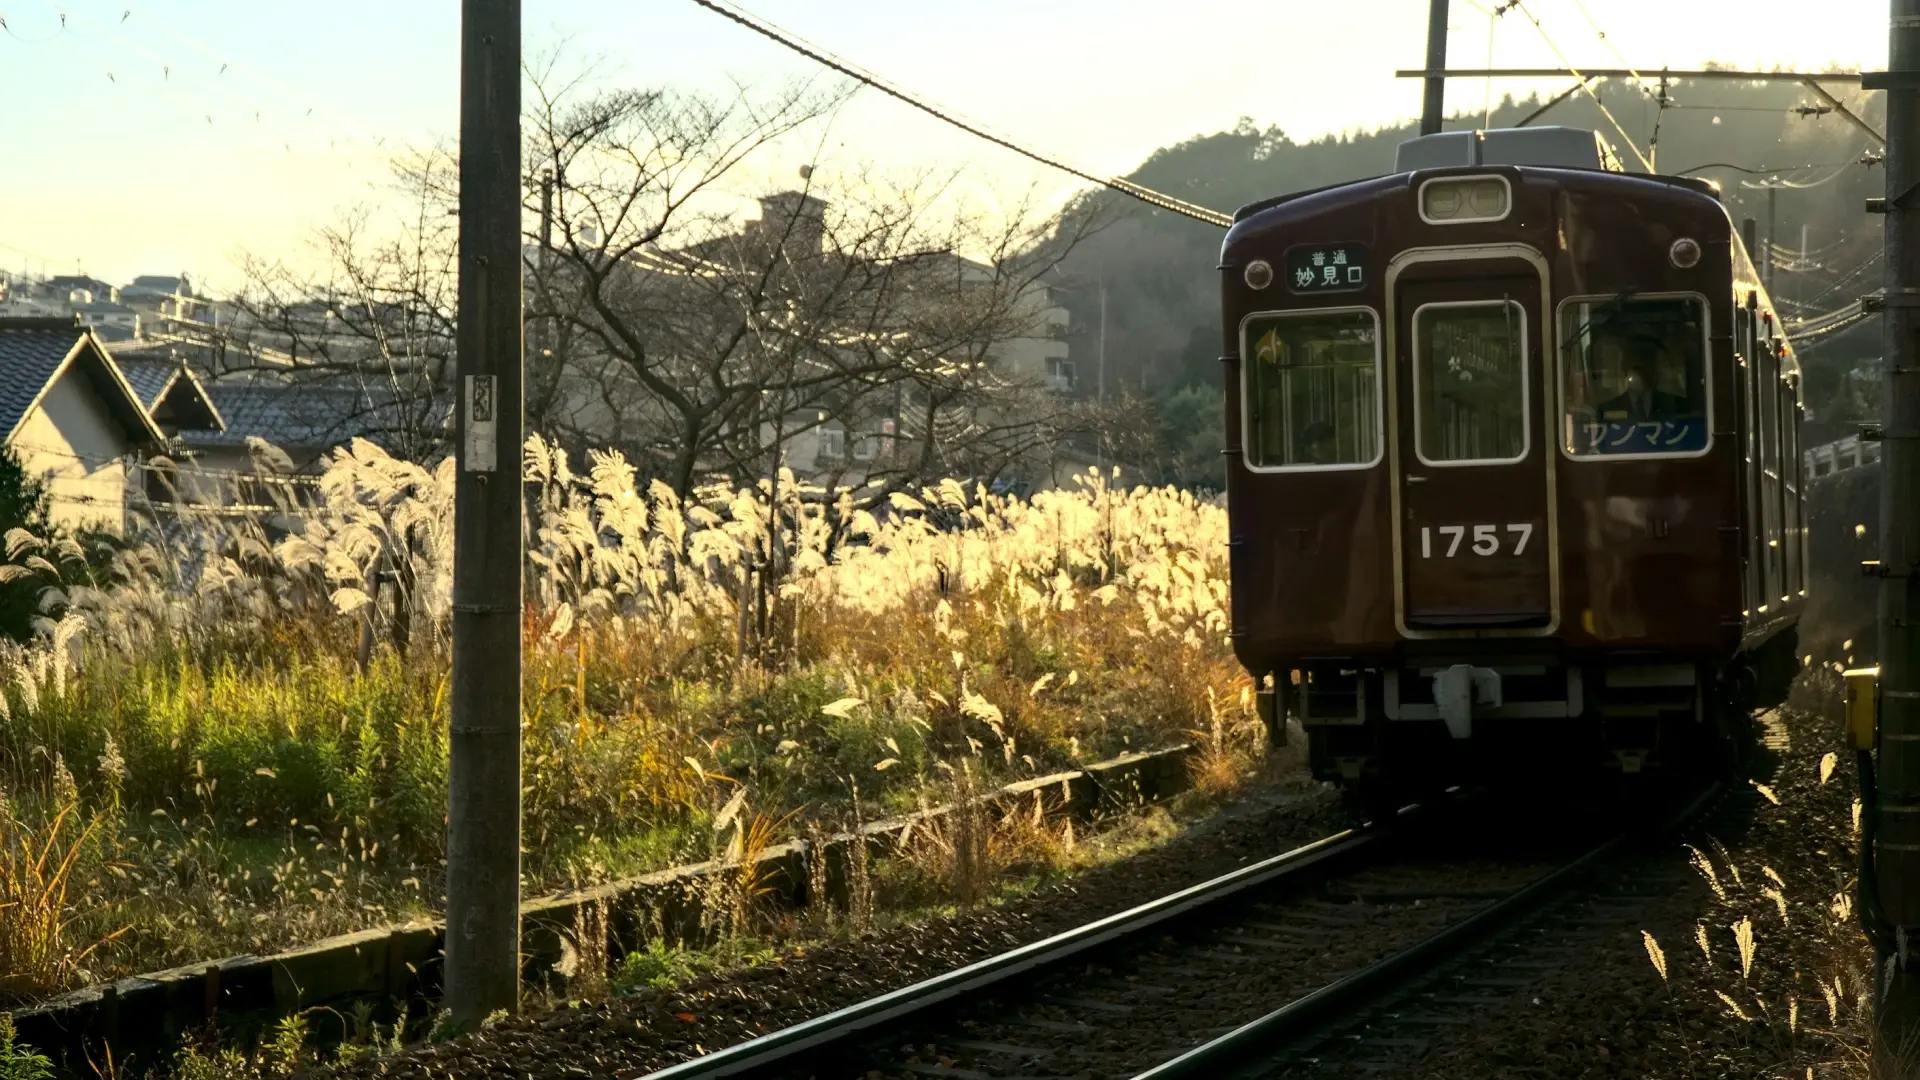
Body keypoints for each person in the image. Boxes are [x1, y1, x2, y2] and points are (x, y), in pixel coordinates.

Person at [1596, 347, 1690, 420]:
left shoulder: (1678, 406)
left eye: (1662, 364)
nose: (1662, 370)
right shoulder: (1606, 410)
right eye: (1658, 364)